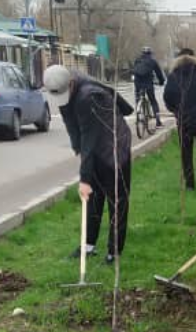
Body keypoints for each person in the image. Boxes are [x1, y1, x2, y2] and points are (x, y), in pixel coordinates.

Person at [42, 65, 134, 264]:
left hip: (115, 147)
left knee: (117, 201)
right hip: (94, 145)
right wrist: (78, 150)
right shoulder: (63, 85)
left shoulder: (88, 97)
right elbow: (72, 125)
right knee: (92, 199)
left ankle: (114, 252)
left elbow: (89, 139)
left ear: (71, 84)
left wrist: (84, 178)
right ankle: (88, 245)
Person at [164, 48, 196, 190]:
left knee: (186, 152)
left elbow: (167, 98)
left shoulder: (173, 76)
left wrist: (176, 111)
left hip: (183, 119)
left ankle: (189, 183)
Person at [132, 46, 165, 128]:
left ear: (142, 53)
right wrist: (161, 82)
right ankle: (158, 122)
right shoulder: (153, 61)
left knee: (137, 98)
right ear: (150, 53)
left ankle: (138, 117)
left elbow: (134, 70)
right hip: (148, 84)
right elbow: (159, 73)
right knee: (153, 101)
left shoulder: (137, 60)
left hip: (138, 83)